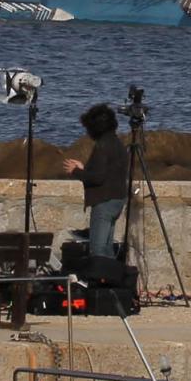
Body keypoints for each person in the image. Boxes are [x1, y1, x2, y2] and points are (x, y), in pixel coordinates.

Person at [64, 103, 129, 265]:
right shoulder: (117, 143)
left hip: (104, 201)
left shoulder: (102, 145)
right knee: (107, 248)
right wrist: (84, 168)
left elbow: (98, 178)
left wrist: (76, 172)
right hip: (117, 199)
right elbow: (108, 172)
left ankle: (101, 281)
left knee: (98, 248)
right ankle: (111, 281)